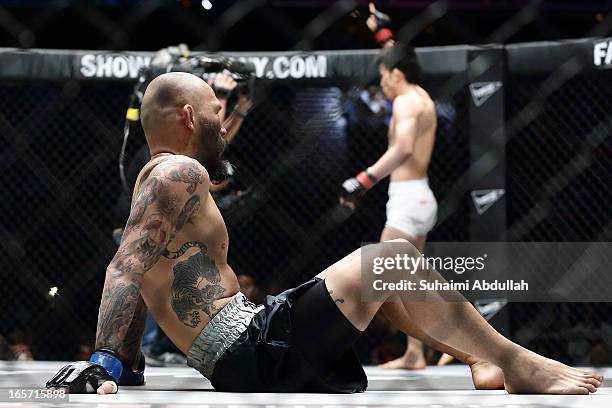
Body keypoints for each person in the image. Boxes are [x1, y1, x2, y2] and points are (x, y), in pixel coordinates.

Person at [46, 72, 602, 395]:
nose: (225, 122)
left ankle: (480, 359)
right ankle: (516, 362)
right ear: (190, 118)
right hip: (250, 349)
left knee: (384, 278)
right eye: (217, 112)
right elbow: (125, 267)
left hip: (255, 339)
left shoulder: (161, 181)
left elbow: (138, 267)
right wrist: (105, 360)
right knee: (389, 257)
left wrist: (128, 362)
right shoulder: (178, 173)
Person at [340, 3, 442, 370]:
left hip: (409, 199)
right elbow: (398, 58)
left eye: (383, 74)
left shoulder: (405, 103)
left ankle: (335, 349)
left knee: (377, 276)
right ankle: (416, 353)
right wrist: (381, 32)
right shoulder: (420, 96)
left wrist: (361, 180)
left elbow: (402, 148)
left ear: (396, 75)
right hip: (417, 197)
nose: (380, 82)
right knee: (410, 282)